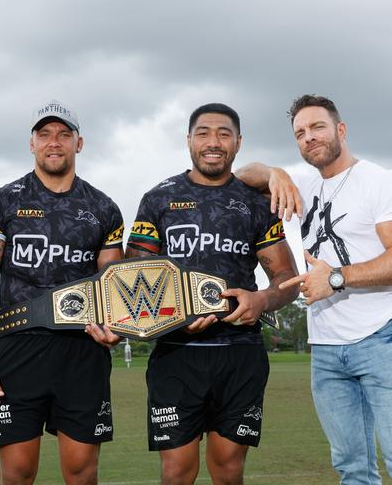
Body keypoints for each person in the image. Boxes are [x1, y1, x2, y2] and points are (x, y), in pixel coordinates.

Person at [125, 103, 299, 485]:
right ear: (189, 140)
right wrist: (175, 320)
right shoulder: (159, 199)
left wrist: (262, 300)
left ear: (238, 143)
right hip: (176, 356)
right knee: (176, 472)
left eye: (223, 133)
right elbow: (132, 284)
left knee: (228, 469)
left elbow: (287, 276)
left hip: (240, 354)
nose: (213, 142)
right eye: (203, 133)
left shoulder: (256, 201)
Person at [0, 99, 124, 484]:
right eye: (45, 134)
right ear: (31, 143)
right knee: (16, 474)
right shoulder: (2, 202)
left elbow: (116, 289)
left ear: (78, 144)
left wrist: (119, 327)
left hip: (83, 350)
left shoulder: (104, 208)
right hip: (16, 349)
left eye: (64, 135)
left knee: (82, 473)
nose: (54, 142)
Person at [236, 94, 392, 485]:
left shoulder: (378, 181)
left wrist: (336, 277)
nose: (309, 137)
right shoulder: (303, 183)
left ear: (340, 129)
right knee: (352, 469)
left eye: (317, 127)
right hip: (325, 348)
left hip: (381, 338)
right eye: (300, 133)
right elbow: (242, 175)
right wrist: (274, 172)